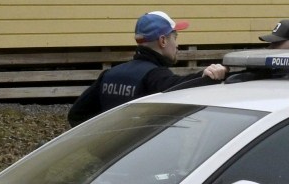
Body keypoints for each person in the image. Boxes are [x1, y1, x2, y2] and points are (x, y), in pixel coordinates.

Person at [69, 11, 229, 125]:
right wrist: (206, 75)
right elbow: (177, 86)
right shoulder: (154, 76)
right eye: (175, 37)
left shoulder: (110, 75)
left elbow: (76, 115)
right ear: (163, 41)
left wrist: (103, 148)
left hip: (111, 163)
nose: (177, 45)